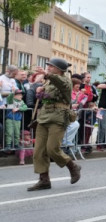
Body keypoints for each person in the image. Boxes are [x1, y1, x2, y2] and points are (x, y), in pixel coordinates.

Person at [27, 58, 82, 191]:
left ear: (59, 69)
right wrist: (40, 91)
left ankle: (73, 167)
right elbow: (45, 96)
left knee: (52, 149)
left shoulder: (66, 81)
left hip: (58, 118)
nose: (49, 68)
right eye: (49, 66)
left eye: (51, 66)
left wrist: (46, 76)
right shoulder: (48, 82)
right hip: (44, 117)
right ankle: (44, 180)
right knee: (39, 151)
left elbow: (60, 83)